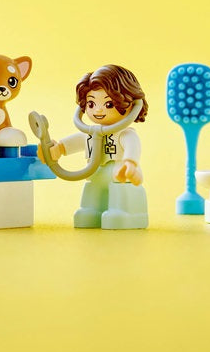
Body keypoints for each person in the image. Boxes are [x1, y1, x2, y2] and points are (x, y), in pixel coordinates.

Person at [47, 64, 149, 229]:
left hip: (118, 172)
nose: (98, 110)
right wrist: (58, 148)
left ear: (131, 104)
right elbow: (77, 141)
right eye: (91, 104)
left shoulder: (125, 134)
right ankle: (90, 211)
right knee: (92, 186)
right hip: (96, 173)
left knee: (118, 186)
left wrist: (130, 163)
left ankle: (120, 212)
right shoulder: (91, 132)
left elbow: (133, 148)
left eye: (108, 104)